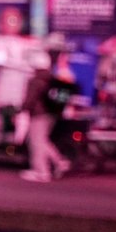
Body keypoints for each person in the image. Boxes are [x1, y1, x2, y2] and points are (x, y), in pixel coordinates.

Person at [19, 47, 77, 183]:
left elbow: (30, 99)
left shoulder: (35, 80)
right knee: (42, 140)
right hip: (51, 114)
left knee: (36, 143)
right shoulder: (51, 78)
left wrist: (22, 110)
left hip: (38, 114)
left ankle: (41, 171)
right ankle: (60, 161)